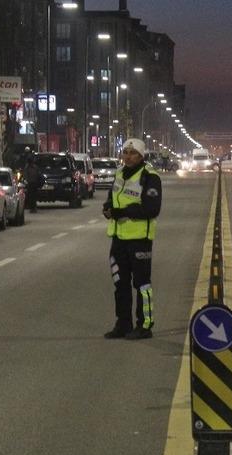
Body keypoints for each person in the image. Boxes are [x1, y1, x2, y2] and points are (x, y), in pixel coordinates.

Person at [103, 138, 162, 340]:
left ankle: (145, 325)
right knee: (120, 284)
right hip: (118, 238)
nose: (127, 157)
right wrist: (108, 208)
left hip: (139, 239)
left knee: (142, 284)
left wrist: (123, 212)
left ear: (141, 155)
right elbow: (112, 198)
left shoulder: (149, 177)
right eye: (125, 152)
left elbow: (152, 208)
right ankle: (123, 323)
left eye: (132, 153)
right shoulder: (119, 173)